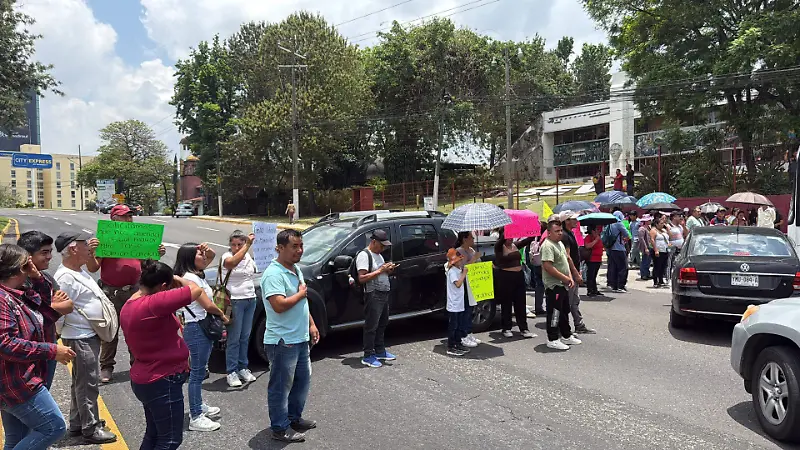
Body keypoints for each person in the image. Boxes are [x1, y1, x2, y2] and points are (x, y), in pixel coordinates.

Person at [120, 261, 208, 450]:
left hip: (146, 377)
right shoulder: (153, 303)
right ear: (163, 287)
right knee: (169, 441)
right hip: (161, 379)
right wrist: (178, 279)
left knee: (154, 434)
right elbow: (196, 290)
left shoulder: (130, 303)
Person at [0, 244, 74, 450]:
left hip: (17, 378)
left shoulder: (18, 292)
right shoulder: (2, 299)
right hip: (15, 382)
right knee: (53, 427)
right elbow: (4, 344)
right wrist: (51, 350)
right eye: (27, 264)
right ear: (17, 269)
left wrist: (37, 277)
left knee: (17, 437)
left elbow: (45, 306)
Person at [86, 204, 167, 384]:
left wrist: (156, 253)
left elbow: (149, 264)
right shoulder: (105, 239)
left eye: (130, 216)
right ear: (114, 219)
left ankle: (137, 364)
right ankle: (106, 366)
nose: (129, 219)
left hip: (136, 291)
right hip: (111, 292)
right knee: (110, 331)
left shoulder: (138, 237)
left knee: (137, 329)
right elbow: (92, 268)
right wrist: (91, 252)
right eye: (124, 216)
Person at [54, 231, 118, 444]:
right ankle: (90, 428)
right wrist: (58, 337)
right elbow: (58, 312)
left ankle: (77, 423)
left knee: (81, 382)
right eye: (85, 244)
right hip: (78, 336)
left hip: (86, 334)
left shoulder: (77, 271)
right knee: (88, 383)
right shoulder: (65, 277)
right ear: (73, 248)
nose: (90, 246)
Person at [261, 229, 319, 443]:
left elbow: (302, 303)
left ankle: (294, 418)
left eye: (300, 246)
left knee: (301, 382)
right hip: (283, 342)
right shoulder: (273, 274)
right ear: (280, 248)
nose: (299, 250)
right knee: (280, 386)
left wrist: (311, 324)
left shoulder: (295, 269)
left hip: (300, 338)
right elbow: (278, 305)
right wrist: (300, 294)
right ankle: (279, 428)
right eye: (294, 246)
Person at [173, 243, 229, 432]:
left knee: (200, 369)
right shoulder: (189, 279)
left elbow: (213, 256)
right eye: (199, 254)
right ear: (189, 258)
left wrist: (206, 249)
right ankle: (196, 415)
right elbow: (206, 304)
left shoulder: (196, 274)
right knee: (197, 373)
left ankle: (199, 405)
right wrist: (222, 314)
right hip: (196, 328)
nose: (204, 258)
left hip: (200, 326)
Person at [17, 231, 74, 389]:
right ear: (27, 256)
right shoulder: (17, 281)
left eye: (50, 252)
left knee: (44, 389)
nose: (49, 256)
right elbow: (29, 317)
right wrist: (51, 306)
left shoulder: (47, 277)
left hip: (49, 346)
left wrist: (44, 307)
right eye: (44, 252)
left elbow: (68, 305)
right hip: (26, 351)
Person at [221, 230, 260, 388]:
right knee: (234, 338)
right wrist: (247, 246)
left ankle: (243, 367)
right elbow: (231, 263)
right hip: (235, 300)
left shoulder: (248, 257)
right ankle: (231, 370)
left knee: (245, 336)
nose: (236, 247)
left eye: (240, 244)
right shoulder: (226, 256)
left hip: (250, 298)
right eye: (233, 244)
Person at [356, 229, 397, 368]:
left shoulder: (378, 255)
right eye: (381, 245)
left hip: (383, 292)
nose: (383, 248)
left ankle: (380, 350)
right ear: (373, 242)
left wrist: (388, 269)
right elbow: (361, 278)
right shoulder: (364, 255)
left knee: (383, 322)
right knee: (371, 325)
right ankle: (368, 355)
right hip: (373, 293)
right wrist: (380, 270)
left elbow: (381, 272)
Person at [540, 217, 582, 351]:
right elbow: (548, 266)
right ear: (549, 232)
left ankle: (566, 334)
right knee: (555, 312)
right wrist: (564, 277)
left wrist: (570, 276)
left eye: (560, 230)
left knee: (564, 310)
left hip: (563, 284)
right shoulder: (547, 246)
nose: (560, 233)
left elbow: (566, 260)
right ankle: (552, 338)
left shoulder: (560, 243)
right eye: (556, 231)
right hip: (554, 285)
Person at [493, 228, 536, 338]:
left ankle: (524, 328)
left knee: (520, 302)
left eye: (512, 236)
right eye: (508, 237)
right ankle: (506, 328)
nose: (510, 239)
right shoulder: (499, 247)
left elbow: (527, 241)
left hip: (518, 276)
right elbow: (500, 258)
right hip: (506, 277)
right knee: (506, 303)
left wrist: (534, 230)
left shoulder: (515, 245)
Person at [560, 211, 595, 334]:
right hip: (568, 274)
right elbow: (567, 257)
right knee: (567, 302)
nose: (576, 221)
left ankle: (578, 324)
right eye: (573, 219)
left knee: (575, 301)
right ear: (566, 221)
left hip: (574, 271)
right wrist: (575, 274)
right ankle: (563, 329)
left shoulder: (570, 233)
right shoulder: (564, 235)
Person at [455, 231, 482, 347]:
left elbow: (478, 265)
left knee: (471, 308)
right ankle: (463, 334)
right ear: (465, 239)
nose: (473, 239)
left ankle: (469, 331)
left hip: (473, 283)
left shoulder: (471, 250)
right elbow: (461, 268)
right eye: (471, 237)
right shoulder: (459, 251)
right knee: (465, 309)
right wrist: (474, 259)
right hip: (464, 283)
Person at [445, 249, 470, 356]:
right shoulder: (452, 272)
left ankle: (458, 343)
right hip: (453, 304)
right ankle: (451, 346)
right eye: (460, 260)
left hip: (459, 303)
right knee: (453, 325)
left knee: (459, 324)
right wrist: (464, 274)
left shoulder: (458, 270)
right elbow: (458, 284)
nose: (461, 262)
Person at [607, 211, 631, 293]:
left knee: (614, 268)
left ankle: (614, 285)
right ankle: (621, 285)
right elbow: (627, 235)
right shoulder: (619, 223)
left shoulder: (609, 224)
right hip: (620, 248)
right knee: (623, 268)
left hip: (611, 249)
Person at [650, 216, 671, 287]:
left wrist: (668, 229)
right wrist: (656, 250)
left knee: (663, 266)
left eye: (663, 223)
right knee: (657, 266)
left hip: (665, 250)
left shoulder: (664, 231)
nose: (663, 225)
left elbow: (670, 236)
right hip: (658, 251)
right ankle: (655, 281)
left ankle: (661, 280)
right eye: (661, 223)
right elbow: (652, 240)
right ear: (656, 224)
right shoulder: (653, 230)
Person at [583, 226, 603, 297]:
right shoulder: (588, 237)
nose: (598, 231)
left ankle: (594, 289)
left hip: (598, 259)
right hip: (592, 259)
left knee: (594, 276)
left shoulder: (599, 237)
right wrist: (595, 240)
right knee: (590, 275)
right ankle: (590, 290)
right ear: (592, 231)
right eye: (596, 230)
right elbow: (587, 246)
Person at [637, 215, 653, 281]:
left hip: (649, 246)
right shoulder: (642, 229)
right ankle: (644, 274)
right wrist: (646, 248)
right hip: (645, 247)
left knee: (648, 261)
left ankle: (647, 273)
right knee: (645, 261)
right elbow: (641, 239)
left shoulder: (648, 228)